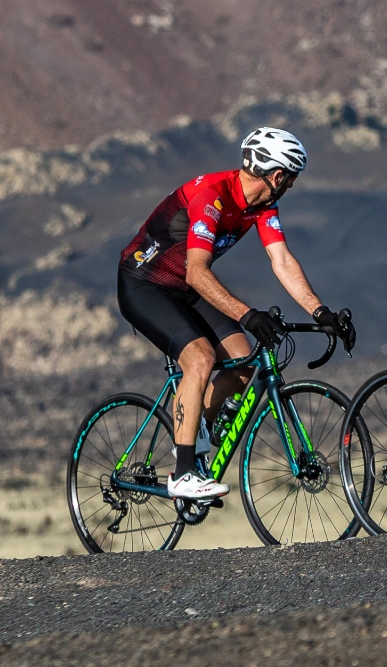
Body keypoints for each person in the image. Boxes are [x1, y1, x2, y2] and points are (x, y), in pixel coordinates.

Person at [116, 128, 352, 500]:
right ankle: (182, 473)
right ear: (277, 176)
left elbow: (282, 259)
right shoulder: (212, 196)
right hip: (144, 284)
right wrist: (247, 314)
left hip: (185, 288)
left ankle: (195, 435)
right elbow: (197, 271)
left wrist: (320, 311)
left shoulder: (261, 206)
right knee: (201, 358)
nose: (291, 186)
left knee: (243, 361)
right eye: (291, 178)